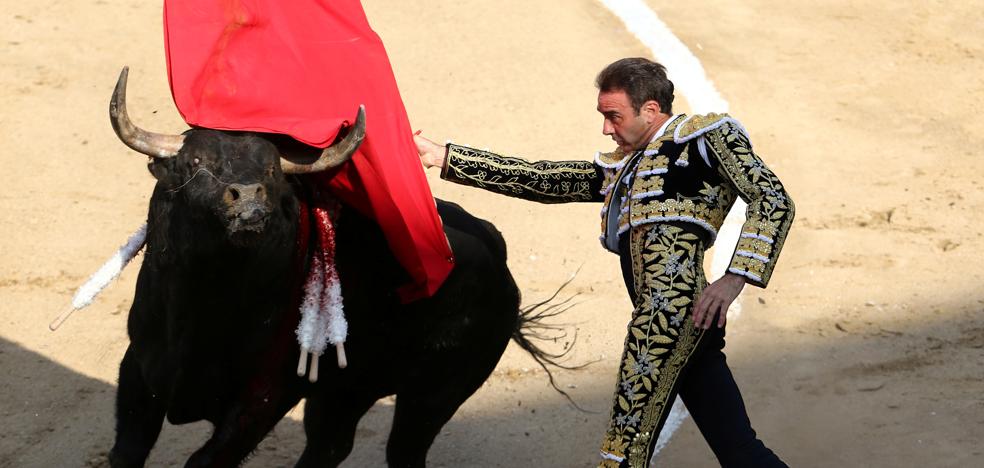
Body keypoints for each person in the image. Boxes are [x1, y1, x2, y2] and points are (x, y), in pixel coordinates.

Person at [414, 58, 793, 467]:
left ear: (650, 110)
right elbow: (543, 178)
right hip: (677, 317)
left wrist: (734, 277)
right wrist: (443, 156)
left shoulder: (705, 137)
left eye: (614, 116)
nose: (606, 129)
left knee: (622, 455)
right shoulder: (624, 165)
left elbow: (773, 198)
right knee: (738, 449)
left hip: (666, 318)